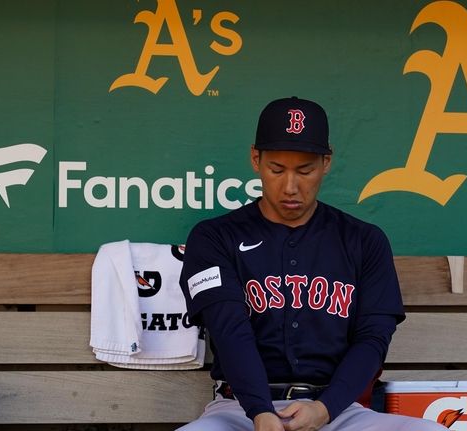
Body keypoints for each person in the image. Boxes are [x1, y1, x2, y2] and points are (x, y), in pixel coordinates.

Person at [178, 97, 448, 431]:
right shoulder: (214, 237)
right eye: (276, 169)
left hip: (338, 411)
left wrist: (325, 409)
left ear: (326, 162)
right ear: (255, 159)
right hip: (239, 409)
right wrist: (261, 411)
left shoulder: (364, 240)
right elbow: (228, 330)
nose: (290, 186)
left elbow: (373, 339)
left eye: (305, 170)